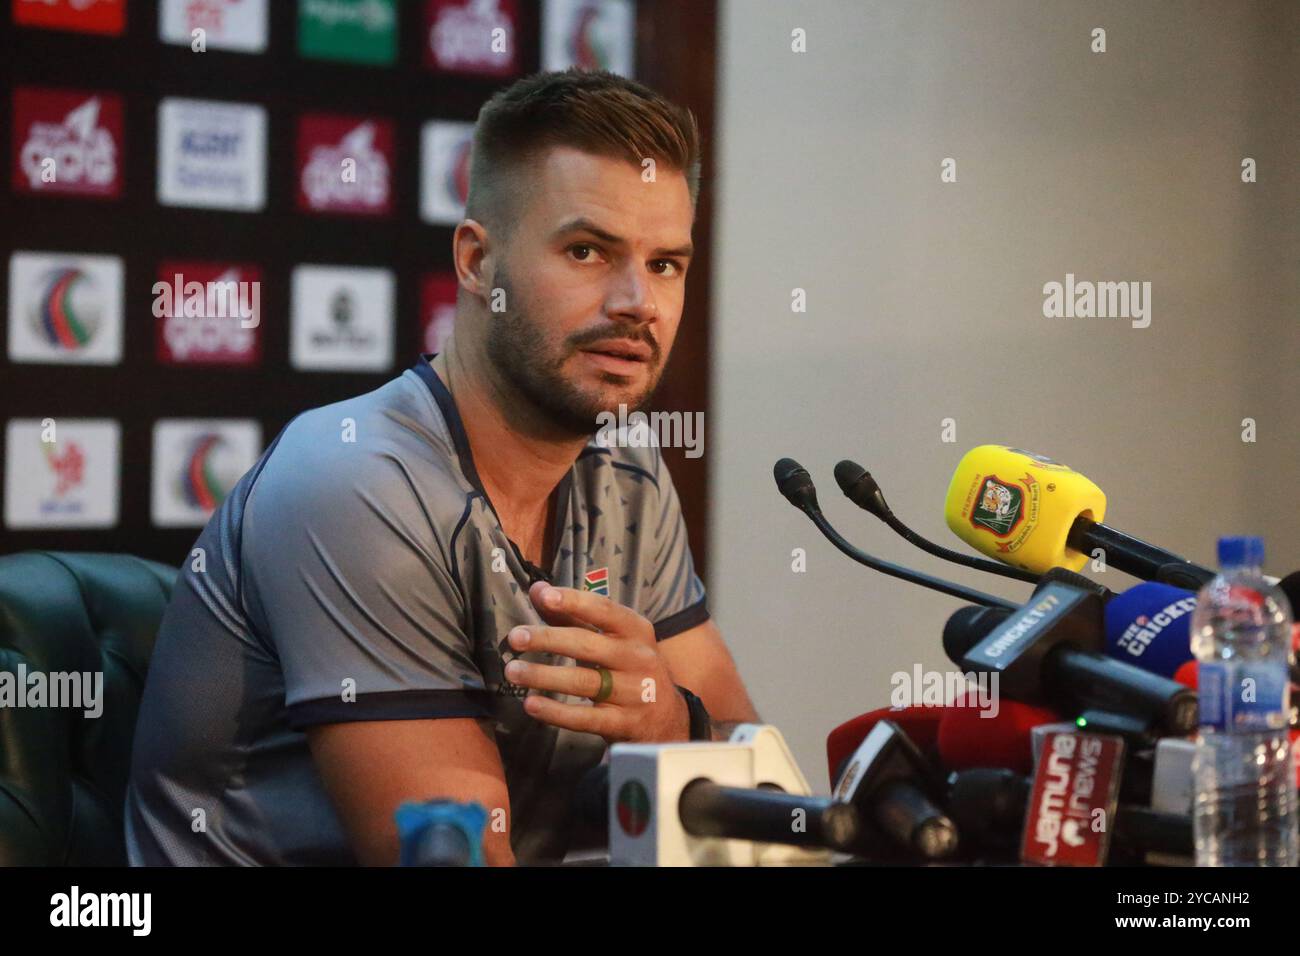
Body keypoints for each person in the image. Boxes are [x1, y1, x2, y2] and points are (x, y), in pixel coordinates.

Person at [126, 68, 758, 867]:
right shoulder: (354, 481)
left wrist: (676, 723)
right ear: (475, 261)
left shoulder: (625, 463)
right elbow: (453, 854)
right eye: (588, 250)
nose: (637, 300)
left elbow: (765, 788)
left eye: (666, 263)